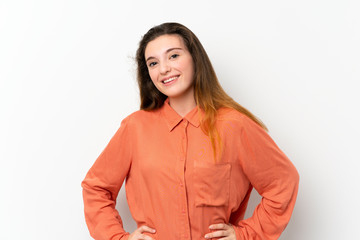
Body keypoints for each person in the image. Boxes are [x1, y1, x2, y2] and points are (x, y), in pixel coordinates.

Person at [81, 22, 299, 240]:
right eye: (153, 63)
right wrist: (118, 238)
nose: (164, 68)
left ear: (195, 58)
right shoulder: (134, 128)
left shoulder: (235, 126)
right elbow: (96, 188)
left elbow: (283, 181)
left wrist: (247, 235)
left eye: (173, 56)